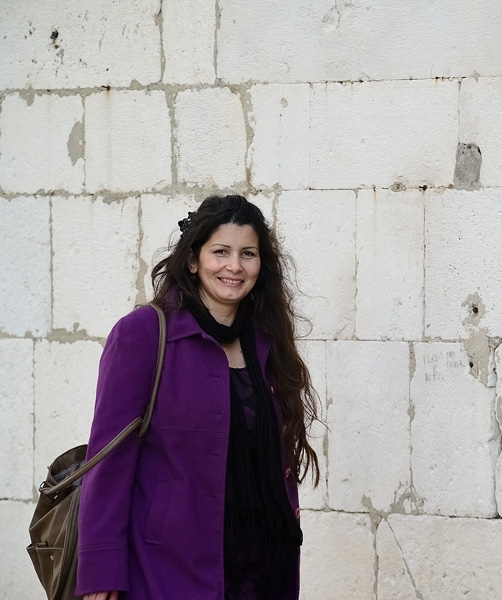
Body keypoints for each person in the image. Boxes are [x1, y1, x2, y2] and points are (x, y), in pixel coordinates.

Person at [75, 194, 320, 600]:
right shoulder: (143, 334)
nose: (234, 266)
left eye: (248, 254)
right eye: (220, 251)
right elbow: (108, 461)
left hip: (265, 566)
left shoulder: (267, 340)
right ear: (193, 260)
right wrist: (100, 572)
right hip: (169, 566)